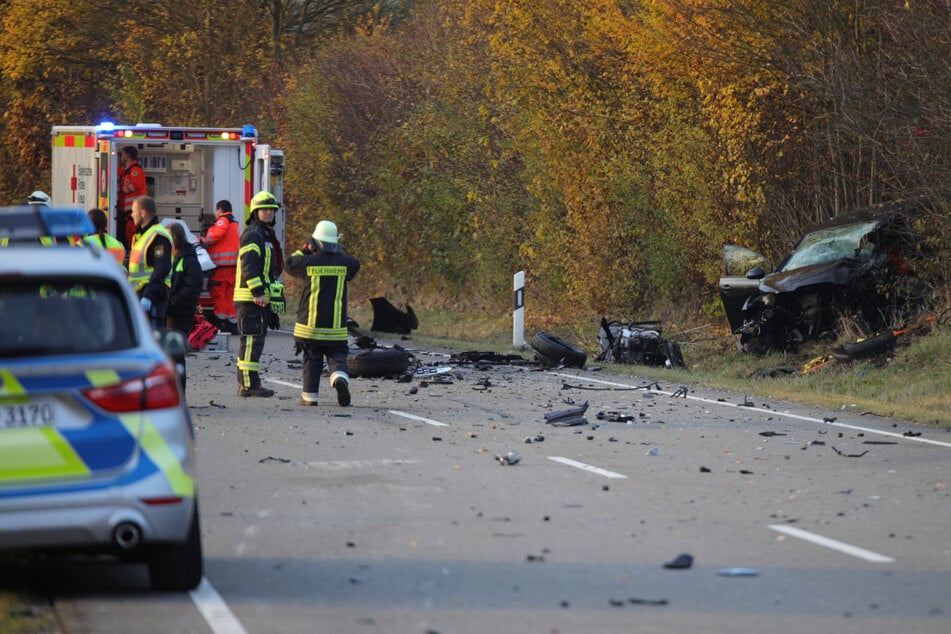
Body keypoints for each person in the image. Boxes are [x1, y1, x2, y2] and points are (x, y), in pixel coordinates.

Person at [285, 220, 360, 407]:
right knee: (337, 357)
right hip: (335, 329)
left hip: (310, 328)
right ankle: (338, 378)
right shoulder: (345, 264)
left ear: (315, 242)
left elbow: (289, 264)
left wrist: (304, 250)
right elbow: (355, 264)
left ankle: (310, 397)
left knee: (312, 360)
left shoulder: (309, 262)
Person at [232, 191, 282, 398]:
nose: (269, 212)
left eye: (272, 209)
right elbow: (249, 266)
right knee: (251, 342)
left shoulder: (265, 235)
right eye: (265, 209)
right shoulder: (254, 234)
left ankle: (252, 382)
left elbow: (267, 270)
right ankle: (247, 385)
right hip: (250, 298)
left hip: (258, 299)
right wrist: (258, 292)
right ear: (255, 212)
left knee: (256, 343)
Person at [128, 195, 172, 330]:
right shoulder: (142, 235)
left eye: (134, 212)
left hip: (153, 297)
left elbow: (162, 267)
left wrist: (148, 296)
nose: (132, 215)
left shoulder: (157, 236)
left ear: (143, 213)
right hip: (142, 294)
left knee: (154, 340)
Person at [199, 199, 240, 334]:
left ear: (220, 210)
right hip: (231, 266)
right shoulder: (234, 222)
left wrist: (203, 240)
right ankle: (232, 323)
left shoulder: (223, 220)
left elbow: (216, 235)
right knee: (229, 295)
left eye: (217, 211)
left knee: (219, 295)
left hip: (221, 266)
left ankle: (222, 322)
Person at [119, 146, 148, 252]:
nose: (121, 157)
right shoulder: (127, 171)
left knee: (131, 233)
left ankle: (133, 253)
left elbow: (135, 185)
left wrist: (121, 190)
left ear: (127, 156)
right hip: (130, 211)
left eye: (122, 155)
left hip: (135, 210)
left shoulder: (135, 170)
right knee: (128, 233)